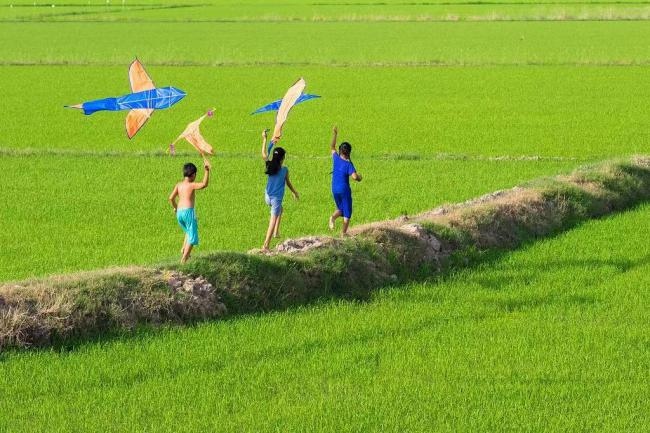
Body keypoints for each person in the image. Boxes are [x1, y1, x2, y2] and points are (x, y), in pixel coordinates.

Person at [261, 129, 299, 251]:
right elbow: (288, 183)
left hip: (267, 197)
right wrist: (294, 192)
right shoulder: (284, 170)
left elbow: (264, 153)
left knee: (280, 210)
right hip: (276, 199)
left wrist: (265, 139)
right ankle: (266, 244)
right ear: (282, 159)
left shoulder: (270, 166)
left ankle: (277, 232)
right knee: (272, 220)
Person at [168, 160, 210, 263]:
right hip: (188, 212)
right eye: (195, 174)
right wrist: (207, 171)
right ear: (193, 174)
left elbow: (171, 198)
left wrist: (176, 208)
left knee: (188, 231)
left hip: (180, 213)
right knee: (192, 237)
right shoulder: (191, 185)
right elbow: (204, 184)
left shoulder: (179, 185)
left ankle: (184, 249)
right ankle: (184, 260)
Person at [328, 126, 362, 235]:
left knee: (341, 208)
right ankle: (343, 233)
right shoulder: (348, 165)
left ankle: (332, 218)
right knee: (347, 213)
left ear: (340, 151)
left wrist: (335, 134)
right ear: (349, 153)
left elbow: (332, 146)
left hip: (334, 188)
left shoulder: (336, 158)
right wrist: (360, 177)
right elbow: (355, 177)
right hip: (344, 189)